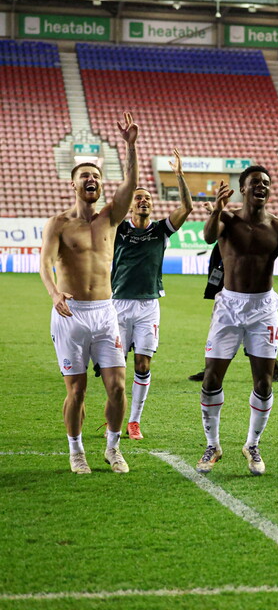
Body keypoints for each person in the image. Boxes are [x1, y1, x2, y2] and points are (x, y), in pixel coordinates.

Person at [39, 111, 140, 474]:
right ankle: (76, 451)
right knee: (77, 391)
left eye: (96, 176)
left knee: (117, 387)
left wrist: (130, 146)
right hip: (71, 313)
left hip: (105, 312)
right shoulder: (59, 224)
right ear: (74, 185)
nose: (92, 180)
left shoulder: (110, 217)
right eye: (86, 176)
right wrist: (54, 294)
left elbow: (130, 183)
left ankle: (113, 449)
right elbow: (45, 263)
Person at [196, 166, 278, 476]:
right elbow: (206, 235)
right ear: (243, 189)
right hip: (229, 305)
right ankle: (212, 445)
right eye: (255, 182)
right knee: (211, 379)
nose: (262, 186)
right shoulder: (227, 221)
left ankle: (252, 444)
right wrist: (217, 209)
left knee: (264, 382)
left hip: (263, 308)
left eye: (266, 183)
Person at [111, 147, 193, 441]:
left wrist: (179, 176)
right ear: (130, 206)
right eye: (138, 198)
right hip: (117, 305)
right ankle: (114, 417)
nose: (143, 200)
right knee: (116, 369)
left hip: (148, 306)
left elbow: (187, 208)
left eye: (147, 197)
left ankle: (134, 422)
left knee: (143, 364)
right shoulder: (117, 228)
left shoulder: (161, 230)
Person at [187, 239, 278, 383]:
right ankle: (211, 369)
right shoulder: (224, 238)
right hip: (227, 296)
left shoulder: (241, 236)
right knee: (231, 334)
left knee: (243, 335)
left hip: (245, 298)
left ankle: (275, 369)